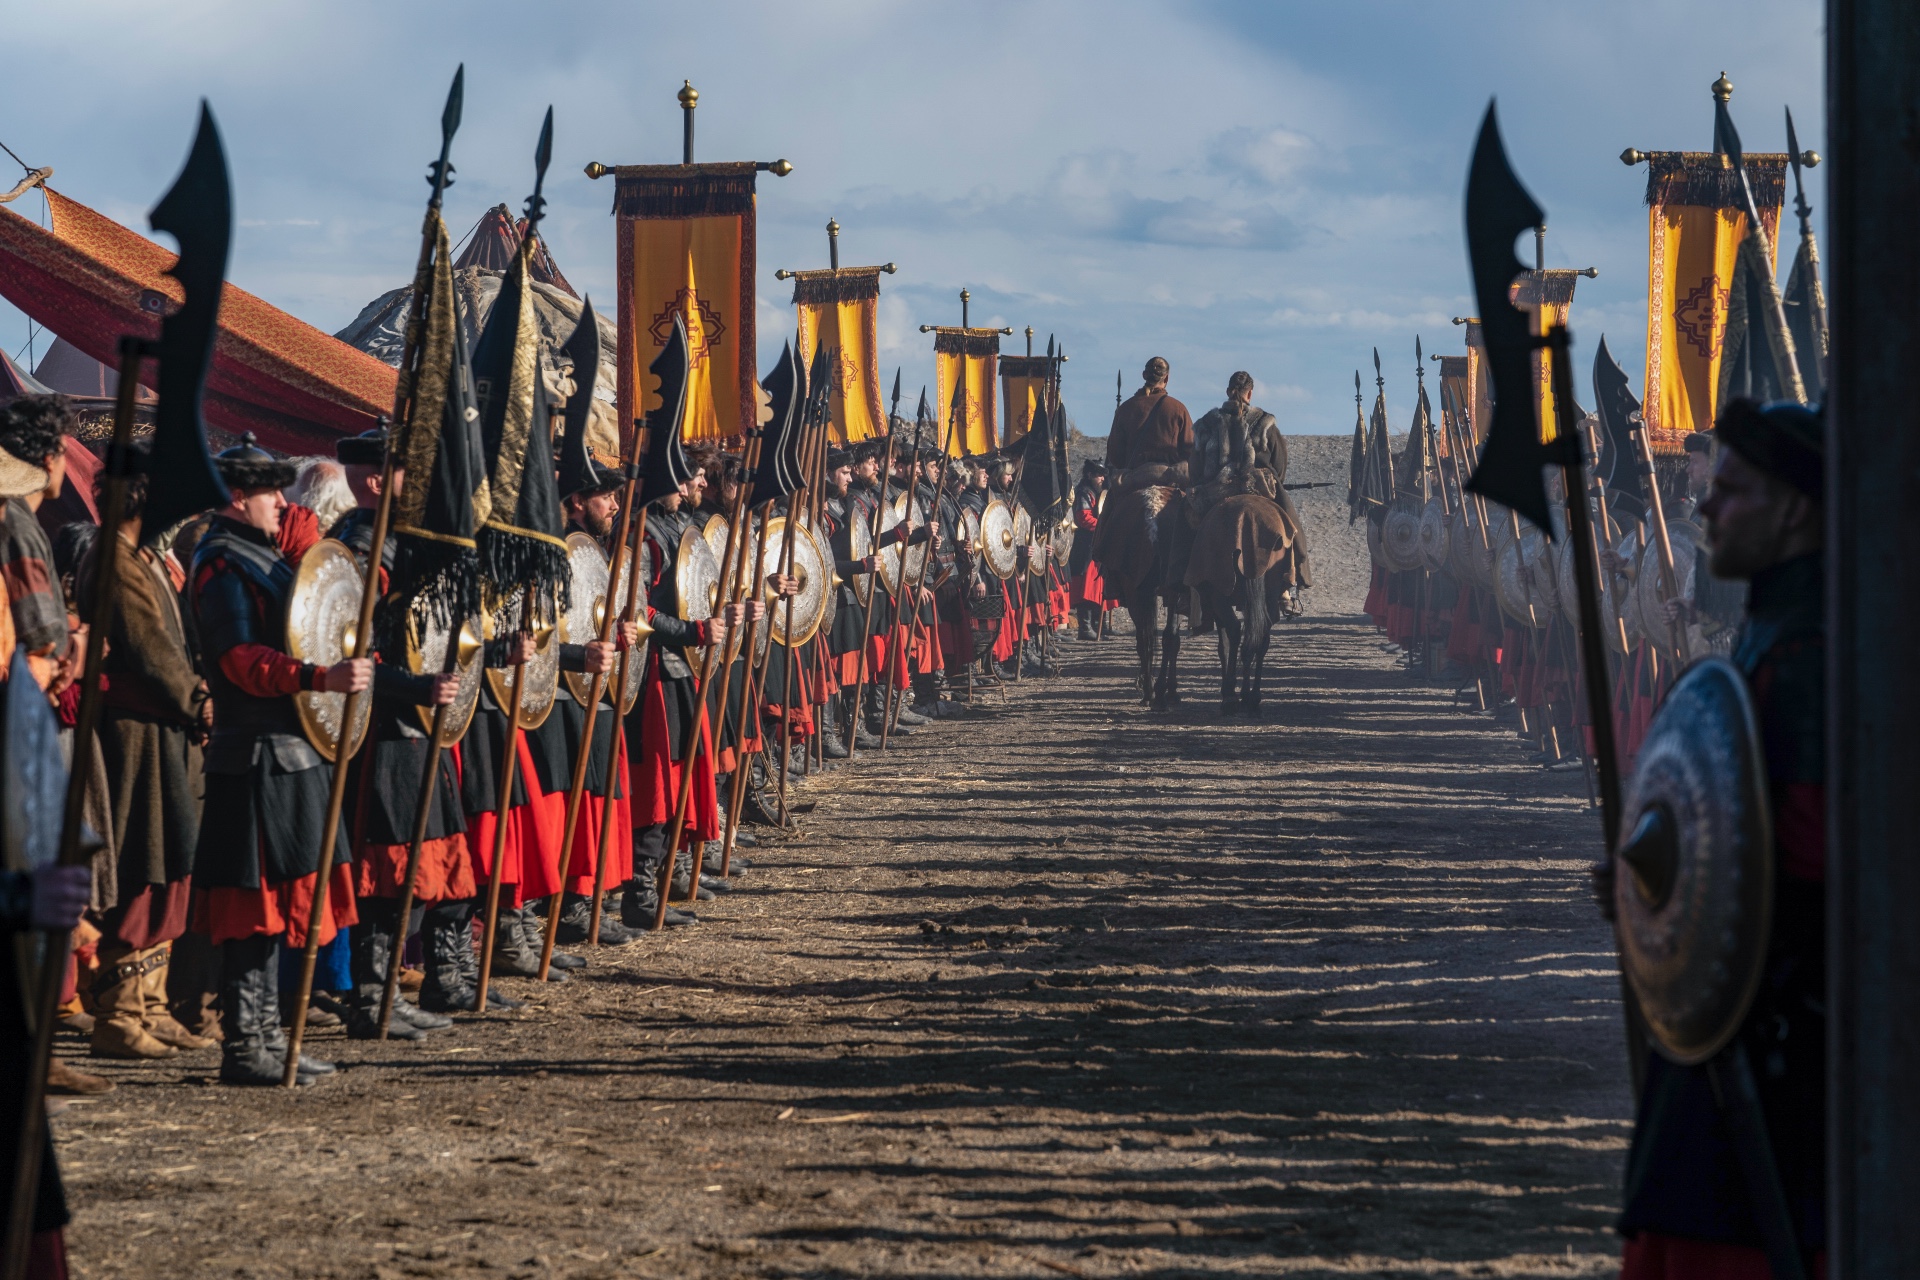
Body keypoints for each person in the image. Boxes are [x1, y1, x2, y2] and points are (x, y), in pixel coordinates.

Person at [1614, 398, 1827, 1278]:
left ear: (1794, 508)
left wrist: (1677, 870)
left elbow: (1818, 844)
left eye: (1731, 490)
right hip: (1726, 1028)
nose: (1703, 505)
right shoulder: (1773, 632)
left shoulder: (1817, 652)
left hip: (1786, 1034)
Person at [187, 434, 368, 1086]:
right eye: (269, 492)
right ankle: (247, 1045)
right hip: (253, 755)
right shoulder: (222, 566)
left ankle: (264, 1036)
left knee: (274, 912)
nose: (278, 503)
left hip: (289, 753)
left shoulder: (259, 557)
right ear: (240, 496)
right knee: (251, 912)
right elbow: (238, 662)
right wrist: (319, 680)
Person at [325, 428, 466, 1038]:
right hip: (381, 731)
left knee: (422, 859)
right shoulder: (360, 552)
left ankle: (404, 989)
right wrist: (415, 690)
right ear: (378, 482)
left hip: (413, 726)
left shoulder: (398, 545)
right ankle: (371, 1000)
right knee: (388, 868)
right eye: (411, 474)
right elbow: (348, 651)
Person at [75, 445, 215, 1060]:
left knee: (169, 866)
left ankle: (151, 1004)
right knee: (142, 863)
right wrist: (197, 699)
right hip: (137, 732)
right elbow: (148, 648)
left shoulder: (146, 559)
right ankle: (120, 1012)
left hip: (166, 733)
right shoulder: (114, 557)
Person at [1105, 357, 1193, 486]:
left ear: (1144, 375)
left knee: (1107, 504)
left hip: (1132, 481)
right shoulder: (1178, 408)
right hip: (1170, 482)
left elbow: (1115, 455)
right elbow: (1190, 451)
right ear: (1167, 378)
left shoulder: (1125, 408)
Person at [1069, 460, 1107, 640]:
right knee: (1086, 586)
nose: (1102, 478)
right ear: (1090, 475)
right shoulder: (1084, 492)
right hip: (1085, 544)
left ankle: (1098, 625)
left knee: (1097, 586)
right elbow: (1083, 518)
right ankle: (1085, 627)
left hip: (1096, 543)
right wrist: (1104, 526)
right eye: (1099, 475)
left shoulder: (1098, 492)